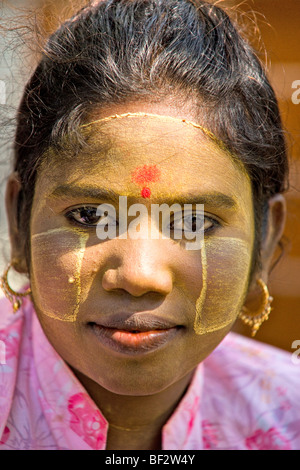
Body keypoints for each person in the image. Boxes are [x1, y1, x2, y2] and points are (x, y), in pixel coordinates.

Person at [0, 0, 299, 451]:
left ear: (265, 239)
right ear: (19, 225)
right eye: (91, 216)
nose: (139, 276)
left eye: (195, 222)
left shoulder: (289, 415)